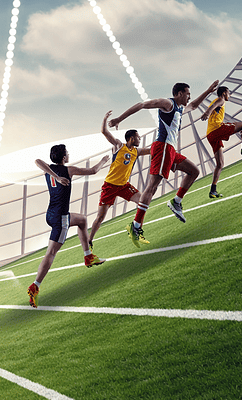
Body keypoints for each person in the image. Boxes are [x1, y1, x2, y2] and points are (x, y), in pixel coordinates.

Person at [108, 80, 217, 246]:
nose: (189, 97)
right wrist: (119, 119)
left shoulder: (181, 108)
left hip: (170, 150)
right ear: (179, 94)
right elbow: (142, 104)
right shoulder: (168, 104)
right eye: (187, 93)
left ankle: (176, 202)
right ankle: (136, 226)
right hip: (163, 147)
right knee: (152, 187)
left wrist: (209, 90)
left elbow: (194, 105)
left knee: (194, 171)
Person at [27, 143, 109, 308]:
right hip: (60, 218)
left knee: (82, 220)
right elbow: (93, 170)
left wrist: (54, 176)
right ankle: (34, 286)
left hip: (50, 214)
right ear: (64, 157)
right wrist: (104, 160)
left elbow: (37, 161)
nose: (69, 154)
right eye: (67, 153)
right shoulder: (68, 170)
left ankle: (88, 256)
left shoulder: (49, 169)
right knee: (51, 253)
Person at [87, 109, 152, 249]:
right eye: (138, 137)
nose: (140, 139)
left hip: (123, 186)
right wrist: (105, 118)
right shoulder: (119, 146)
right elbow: (104, 132)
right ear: (131, 138)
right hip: (110, 186)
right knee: (100, 217)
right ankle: (89, 240)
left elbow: (153, 150)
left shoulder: (137, 151)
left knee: (143, 201)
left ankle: (136, 230)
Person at [200, 85, 242, 198]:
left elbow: (214, 107)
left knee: (220, 164)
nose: (229, 95)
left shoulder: (216, 100)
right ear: (224, 93)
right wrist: (207, 113)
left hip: (210, 135)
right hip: (217, 129)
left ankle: (213, 191)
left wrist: (208, 112)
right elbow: (215, 106)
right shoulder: (220, 100)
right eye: (229, 93)